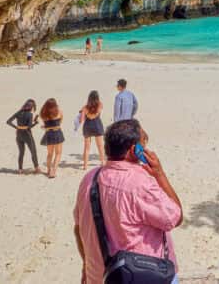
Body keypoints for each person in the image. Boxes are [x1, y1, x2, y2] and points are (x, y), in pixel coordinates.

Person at [74, 119, 183, 284]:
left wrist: (85, 266)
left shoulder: (89, 178)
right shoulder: (140, 183)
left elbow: (79, 228)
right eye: (144, 142)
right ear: (135, 150)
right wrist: (159, 173)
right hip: (144, 276)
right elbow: (176, 217)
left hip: (98, 276)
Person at [5, 98, 41, 174]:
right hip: (27, 135)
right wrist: (36, 123)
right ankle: (37, 168)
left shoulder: (19, 112)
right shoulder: (30, 114)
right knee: (33, 152)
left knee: (21, 152)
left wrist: (17, 127)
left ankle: (20, 170)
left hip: (18, 134)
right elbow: (29, 127)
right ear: (32, 107)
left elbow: (8, 122)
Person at [79, 90, 105, 170]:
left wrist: (82, 113)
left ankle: (85, 166)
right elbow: (97, 113)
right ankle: (102, 162)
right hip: (97, 125)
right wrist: (93, 115)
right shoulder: (100, 104)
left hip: (88, 126)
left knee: (87, 147)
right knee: (100, 146)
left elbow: (81, 120)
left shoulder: (85, 107)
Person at [40, 98, 64, 178]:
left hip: (48, 134)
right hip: (57, 133)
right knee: (58, 153)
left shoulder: (43, 114)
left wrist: (47, 127)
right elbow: (60, 122)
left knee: (50, 154)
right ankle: (53, 171)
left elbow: (45, 124)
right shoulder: (59, 112)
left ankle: (48, 170)